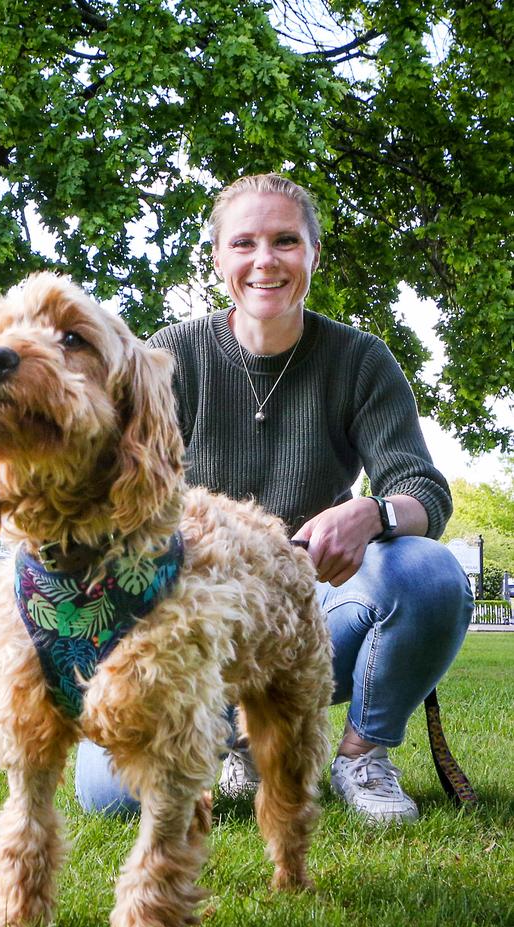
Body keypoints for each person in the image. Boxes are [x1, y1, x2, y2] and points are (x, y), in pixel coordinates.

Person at [75, 173, 474, 823]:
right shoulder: (168, 358)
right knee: (110, 797)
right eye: (245, 243)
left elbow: (422, 490)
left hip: (307, 618)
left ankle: (360, 755)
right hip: (190, 622)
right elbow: (108, 491)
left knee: (430, 570)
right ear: (219, 260)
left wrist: (372, 512)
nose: (266, 261)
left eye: (286, 241)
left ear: (314, 254)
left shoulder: (360, 361)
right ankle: (232, 738)